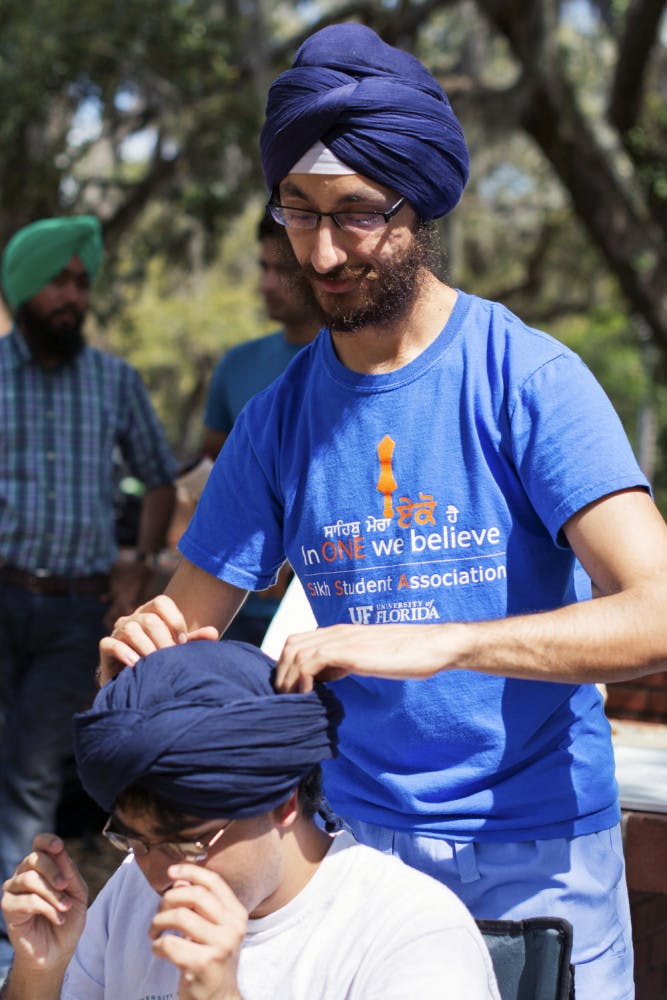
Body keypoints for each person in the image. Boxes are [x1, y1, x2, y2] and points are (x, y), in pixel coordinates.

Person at [100, 23, 667, 999]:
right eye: (298, 213)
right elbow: (188, 639)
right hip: (365, 855)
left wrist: (442, 642)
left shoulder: (524, 379)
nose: (321, 251)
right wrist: (144, 656)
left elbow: (654, 611)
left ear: (423, 204)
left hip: (543, 855)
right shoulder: (276, 423)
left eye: (356, 214)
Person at [0, 640, 500, 999]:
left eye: (188, 844)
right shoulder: (133, 887)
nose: (157, 873)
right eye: (135, 841)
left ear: (282, 804)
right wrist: (39, 971)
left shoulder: (409, 932)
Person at [0, 215, 178, 973]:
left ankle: (15, 959)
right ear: (21, 287)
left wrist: (138, 563)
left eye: (82, 282)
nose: (72, 296)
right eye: (58, 281)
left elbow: (162, 475)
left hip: (78, 610)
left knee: (32, 775)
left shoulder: (114, 380)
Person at [201, 209, 323, 645]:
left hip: (322, 610)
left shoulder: (358, 369)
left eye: (284, 270)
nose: (267, 284)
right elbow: (215, 473)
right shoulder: (236, 366)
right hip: (233, 607)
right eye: (263, 268)